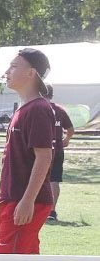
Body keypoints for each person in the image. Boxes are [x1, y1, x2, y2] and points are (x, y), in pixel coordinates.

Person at [0, 49, 66, 261]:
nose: (6, 71)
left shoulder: (36, 109)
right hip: (17, 198)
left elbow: (44, 157)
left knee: (2, 260)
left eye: (13, 66)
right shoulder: (26, 108)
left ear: (31, 72)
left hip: (24, 200)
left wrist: (26, 200)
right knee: (27, 259)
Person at [45, 85, 74, 222]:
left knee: (35, 178)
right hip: (57, 150)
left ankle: (36, 208)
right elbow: (70, 129)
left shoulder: (37, 109)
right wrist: (66, 140)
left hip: (41, 150)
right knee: (54, 180)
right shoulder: (59, 110)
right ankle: (51, 211)